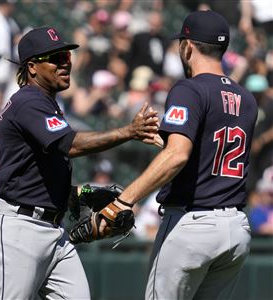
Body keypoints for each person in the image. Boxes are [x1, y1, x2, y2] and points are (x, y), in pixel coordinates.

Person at [0, 26, 159, 299]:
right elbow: (69, 145)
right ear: (32, 68)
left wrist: (72, 195)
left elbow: (38, 168)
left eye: (67, 57)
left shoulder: (46, 104)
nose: (65, 63)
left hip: (51, 230)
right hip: (17, 228)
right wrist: (129, 132)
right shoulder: (28, 100)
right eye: (55, 57)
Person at [100, 10, 258, 300]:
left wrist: (125, 200)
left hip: (193, 224)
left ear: (187, 46)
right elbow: (213, 150)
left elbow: (178, 156)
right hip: (235, 227)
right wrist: (169, 140)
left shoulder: (190, 88)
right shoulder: (246, 98)